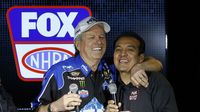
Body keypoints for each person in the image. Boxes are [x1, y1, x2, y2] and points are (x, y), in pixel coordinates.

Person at [31, 17, 162, 112]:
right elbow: (36, 109)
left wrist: (139, 67)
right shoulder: (59, 71)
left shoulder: (112, 67)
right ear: (77, 44)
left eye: (101, 37)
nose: (98, 42)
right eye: (91, 37)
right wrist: (54, 107)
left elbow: (157, 64)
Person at [106, 32, 178, 112]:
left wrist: (140, 66)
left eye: (130, 49)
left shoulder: (155, 81)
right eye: (118, 49)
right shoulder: (109, 82)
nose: (122, 54)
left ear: (141, 58)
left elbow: (158, 64)